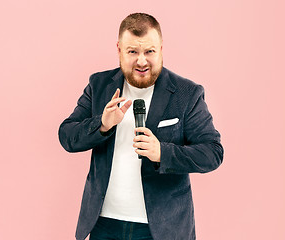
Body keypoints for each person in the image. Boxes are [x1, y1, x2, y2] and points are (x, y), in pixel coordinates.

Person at [58, 13, 223, 240]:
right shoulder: (99, 85)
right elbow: (67, 136)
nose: (142, 61)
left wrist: (162, 153)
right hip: (103, 224)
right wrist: (102, 125)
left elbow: (212, 153)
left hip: (161, 229)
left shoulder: (187, 94)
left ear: (161, 49)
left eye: (150, 51)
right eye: (132, 51)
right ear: (119, 49)